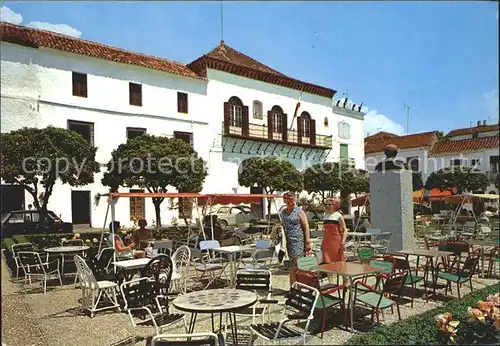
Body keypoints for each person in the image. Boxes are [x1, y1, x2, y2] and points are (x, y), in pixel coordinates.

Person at [280, 191, 311, 287]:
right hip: (288, 241)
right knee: (291, 265)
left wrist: (307, 242)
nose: (290, 202)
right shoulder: (283, 212)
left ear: (295, 199)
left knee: (298, 264)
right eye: (287, 200)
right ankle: (293, 287)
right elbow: (282, 225)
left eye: (291, 199)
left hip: (298, 241)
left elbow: (306, 227)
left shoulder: (299, 211)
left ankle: (300, 286)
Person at [322, 199, 348, 264]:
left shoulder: (338, 215)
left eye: (329, 205)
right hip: (326, 241)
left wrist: (343, 242)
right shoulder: (325, 214)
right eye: (326, 205)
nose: (327, 206)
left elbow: (345, 230)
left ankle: (337, 273)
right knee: (326, 260)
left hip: (335, 241)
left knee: (336, 260)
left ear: (334, 205)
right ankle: (329, 274)